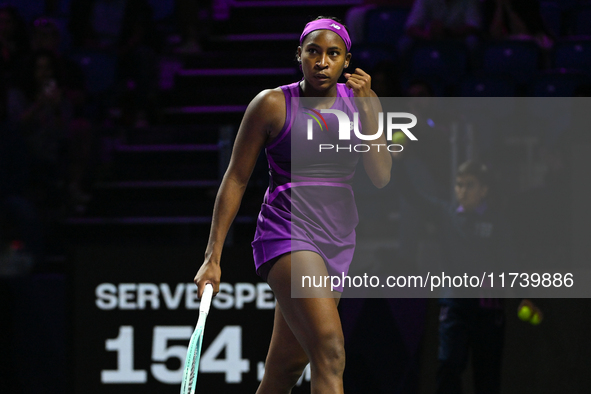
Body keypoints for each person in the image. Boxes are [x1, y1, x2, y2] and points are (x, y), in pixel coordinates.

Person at [194, 16, 392, 393]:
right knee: (330, 350)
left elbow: (381, 176)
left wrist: (369, 115)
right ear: (298, 54)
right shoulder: (271, 104)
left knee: (287, 366)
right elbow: (236, 178)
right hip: (287, 234)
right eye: (313, 52)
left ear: (346, 60)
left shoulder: (363, 103)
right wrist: (212, 256)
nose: (322, 62)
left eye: (333, 54)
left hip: (338, 238)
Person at [392, 153, 534, 394]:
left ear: (484, 190)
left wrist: (523, 294)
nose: (463, 190)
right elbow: (412, 195)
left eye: (470, 185)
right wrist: (397, 164)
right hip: (455, 308)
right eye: (459, 184)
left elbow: (510, 264)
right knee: (448, 365)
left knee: (487, 378)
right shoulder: (445, 214)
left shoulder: (498, 224)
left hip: (488, 310)